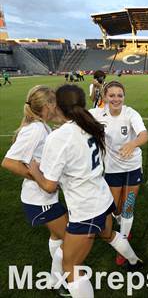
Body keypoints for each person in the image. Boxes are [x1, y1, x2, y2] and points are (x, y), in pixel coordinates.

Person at [28, 85, 143, 298]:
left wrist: (34, 171)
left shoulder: (60, 136)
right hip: (102, 197)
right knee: (109, 234)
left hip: (85, 208)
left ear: (58, 106)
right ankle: (135, 262)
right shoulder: (91, 124)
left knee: (70, 266)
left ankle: (133, 262)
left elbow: (49, 186)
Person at [1, 85, 68, 295]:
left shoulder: (41, 126)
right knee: (73, 238)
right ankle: (58, 281)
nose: (57, 105)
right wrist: (39, 179)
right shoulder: (36, 129)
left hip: (45, 196)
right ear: (48, 105)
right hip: (40, 198)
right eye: (54, 102)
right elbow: (9, 162)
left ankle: (55, 278)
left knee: (58, 237)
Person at [89, 81, 148, 265]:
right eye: (112, 95)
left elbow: (143, 135)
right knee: (114, 207)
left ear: (124, 96)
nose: (116, 99)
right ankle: (122, 224)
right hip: (112, 168)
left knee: (128, 205)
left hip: (132, 167)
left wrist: (133, 144)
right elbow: (76, 122)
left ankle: (123, 240)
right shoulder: (97, 114)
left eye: (119, 95)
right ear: (105, 97)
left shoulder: (131, 113)